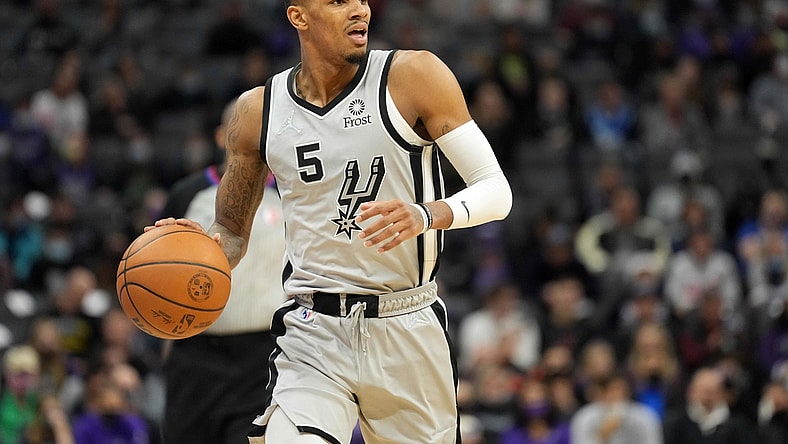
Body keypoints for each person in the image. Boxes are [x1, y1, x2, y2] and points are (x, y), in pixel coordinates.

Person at [148, 0, 513, 442]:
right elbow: (230, 234)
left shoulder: (414, 76)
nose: (360, 10)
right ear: (298, 16)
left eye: (362, 0)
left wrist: (426, 214)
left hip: (406, 323)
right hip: (314, 330)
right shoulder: (257, 113)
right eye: (340, 2)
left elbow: (495, 189)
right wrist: (194, 251)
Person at [158, 100, 287, 444]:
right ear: (220, 137)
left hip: (263, 355)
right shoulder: (187, 194)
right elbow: (155, 273)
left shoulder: (292, 193)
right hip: (193, 353)